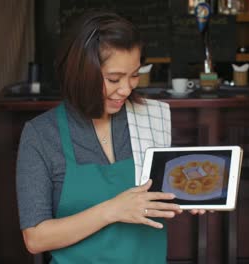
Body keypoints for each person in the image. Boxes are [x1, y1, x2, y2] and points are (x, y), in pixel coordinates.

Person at [16, 11, 205, 263]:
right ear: (81, 73)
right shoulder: (41, 135)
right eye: (114, 79)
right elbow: (35, 238)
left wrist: (191, 194)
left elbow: (159, 195)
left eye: (135, 74)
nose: (126, 89)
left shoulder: (149, 118)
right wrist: (113, 210)